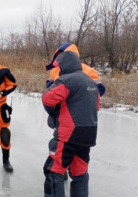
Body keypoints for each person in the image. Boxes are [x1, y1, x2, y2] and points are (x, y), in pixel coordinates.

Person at [42, 49, 100, 197]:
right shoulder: (91, 82)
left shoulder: (66, 80)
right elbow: (96, 106)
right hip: (88, 135)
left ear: (64, 66)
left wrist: (54, 114)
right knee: (80, 173)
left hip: (69, 134)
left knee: (53, 171)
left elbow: (48, 98)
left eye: (59, 67)